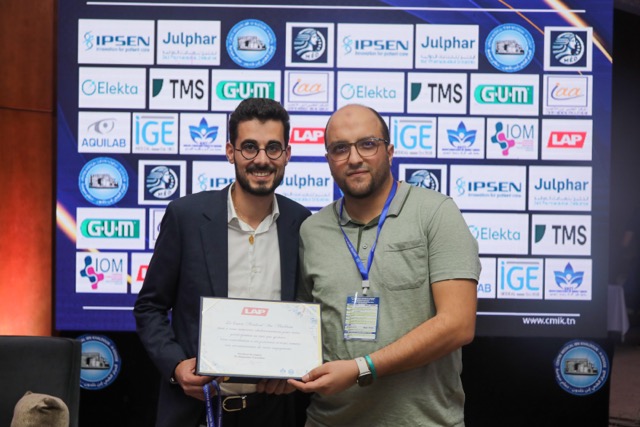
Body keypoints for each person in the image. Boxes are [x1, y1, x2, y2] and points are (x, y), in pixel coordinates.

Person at [288, 104, 481, 426]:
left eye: (367, 144)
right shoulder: (312, 230)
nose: (354, 158)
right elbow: (302, 332)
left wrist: (362, 368)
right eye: (340, 148)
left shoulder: (436, 213)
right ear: (328, 160)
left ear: (389, 152)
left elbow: (458, 324)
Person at [134, 98, 311, 427]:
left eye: (273, 148)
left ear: (287, 154)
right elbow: (149, 307)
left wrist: (295, 370)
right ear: (231, 152)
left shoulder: (302, 223)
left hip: (273, 412)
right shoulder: (186, 217)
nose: (262, 159)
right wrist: (176, 366)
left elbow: (307, 310)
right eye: (249, 147)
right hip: (196, 411)